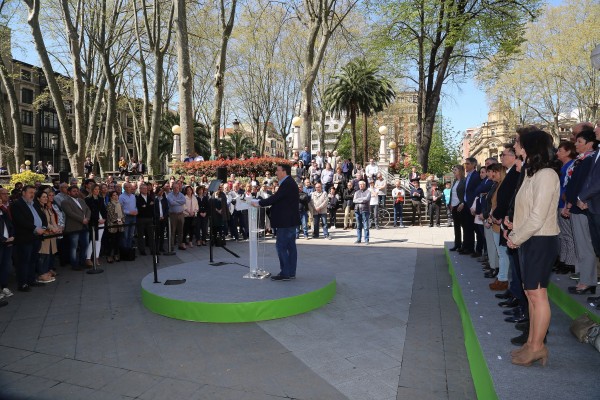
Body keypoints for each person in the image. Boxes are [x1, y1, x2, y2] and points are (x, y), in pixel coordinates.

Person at [507, 129, 560, 367]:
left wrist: (516, 236)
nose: (515, 145)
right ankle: (531, 343)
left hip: (541, 239)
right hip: (530, 238)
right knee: (530, 294)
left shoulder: (547, 174)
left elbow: (538, 215)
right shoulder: (532, 173)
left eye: (518, 142)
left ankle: (538, 347)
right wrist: (514, 225)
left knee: (538, 295)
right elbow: (528, 210)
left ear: (530, 146)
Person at [563, 128, 598, 295]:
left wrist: (574, 202)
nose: (576, 144)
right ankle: (585, 279)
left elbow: (583, 184)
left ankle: (588, 281)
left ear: (589, 144)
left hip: (582, 207)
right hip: (575, 205)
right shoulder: (581, 160)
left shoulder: (590, 160)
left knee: (585, 246)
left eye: (579, 142)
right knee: (580, 245)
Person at [251, 163, 299, 281]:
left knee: (281, 246)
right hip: (289, 221)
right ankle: (290, 272)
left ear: (284, 172)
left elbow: (276, 198)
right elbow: (279, 199)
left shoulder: (287, 183)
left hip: (285, 222)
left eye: (277, 170)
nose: (276, 173)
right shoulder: (289, 183)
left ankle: (285, 273)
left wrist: (259, 203)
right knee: (290, 247)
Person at [11, 185, 47, 291]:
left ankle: (31, 280)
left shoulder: (34, 204)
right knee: (24, 261)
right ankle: (23, 284)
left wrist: (44, 226)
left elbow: (42, 216)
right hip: (25, 238)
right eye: (30, 192)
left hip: (36, 237)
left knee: (33, 259)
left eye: (33, 192)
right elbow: (20, 221)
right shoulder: (17, 205)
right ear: (23, 193)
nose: (32, 195)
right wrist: (36, 228)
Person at [61, 186, 91, 271]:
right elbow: (70, 213)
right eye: (74, 191)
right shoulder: (65, 202)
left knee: (85, 245)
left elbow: (88, 210)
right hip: (74, 227)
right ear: (69, 192)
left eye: (77, 191)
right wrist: (82, 219)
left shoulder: (81, 200)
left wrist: (87, 218)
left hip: (84, 226)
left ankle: (82, 262)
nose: (76, 192)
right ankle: (74, 264)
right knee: (74, 247)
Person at [459, 157, 481, 255]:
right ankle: (466, 246)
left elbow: (476, 191)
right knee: (466, 227)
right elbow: (466, 191)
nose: (465, 166)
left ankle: (472, 248)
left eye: (467, 164)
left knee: (473, 228)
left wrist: (473, 205)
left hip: (472, 205)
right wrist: (463, 202)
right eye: (465, 164)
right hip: (466, 204)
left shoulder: (476, 176)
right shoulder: (468, 176)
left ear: (473, 165)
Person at [85, 183, 107, 266]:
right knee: (93, 240)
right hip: (94, 222)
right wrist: (97, 220)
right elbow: (89, 212)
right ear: (92, 190)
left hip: (102, 222)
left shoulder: (100, 198)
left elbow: (104, 210)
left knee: (99, 241)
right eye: (95, 189)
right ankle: (88, 258)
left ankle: (96, 257)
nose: (97, 191)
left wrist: (104, 219)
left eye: (98, 189)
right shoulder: (88, 199)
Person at [449, 165, 466, 251]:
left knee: (464, 226)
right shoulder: (455, 181)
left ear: (460, 171)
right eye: (453, 170)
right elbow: (452, 194)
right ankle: (457, 244)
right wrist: (450, 204)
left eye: (455, 170)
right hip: (454, 206)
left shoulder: (464, 181)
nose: (454, 171)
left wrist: (462, 202)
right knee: (456, 226)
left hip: (461, 206)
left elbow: (465, 193)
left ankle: (465, 245)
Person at [136, 183, 155, 255]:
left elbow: (151, 208)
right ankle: (142, 250)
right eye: (143, 188)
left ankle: (152, 250)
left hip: (149, 218)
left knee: (151, 235)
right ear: (140, 190)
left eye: (146, 189)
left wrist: (145, 206)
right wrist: (148, 206)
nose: (145, 190)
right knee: (141, 235)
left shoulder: (150, 197)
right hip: (141, 219)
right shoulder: (138, 198)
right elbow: (140, 209)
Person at [105, 191, 124, 262]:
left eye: (116, 195)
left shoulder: (120, 204)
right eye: (114, 195)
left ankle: (116, 254)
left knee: (117, 241)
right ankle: (109, 255)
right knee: (111, 242)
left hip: (120, 226)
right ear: (111, 197)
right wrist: (117, 221)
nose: (116, 196)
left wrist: (122, 220)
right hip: (112, 226)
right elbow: (110, 215)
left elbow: (123, 214)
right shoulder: (109, 205)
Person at [167, 182, 186, 250]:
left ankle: (180, 244)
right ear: (172, 188)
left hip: (181, 214)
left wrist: (175, 201)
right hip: (173, 215)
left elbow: (183, 201)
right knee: (172, 231)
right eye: (174, 188)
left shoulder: (181, 194)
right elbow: (171, 203)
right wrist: (178, 202)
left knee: (181, 231)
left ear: (179, 188)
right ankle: (171, 246)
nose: (176, 189)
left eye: (177, 187)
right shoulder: (169, 195)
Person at [119, 182, 138, 249]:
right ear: (124, 188)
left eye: (129, 187)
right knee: (125, 235)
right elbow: (120, 209)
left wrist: (136, 211)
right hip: (126, 217)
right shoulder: (121, 197)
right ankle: (125, 250)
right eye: (126, 187)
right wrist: (129, 212)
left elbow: (135, 206)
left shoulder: (133, 196)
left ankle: (129, 249)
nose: (128, 188)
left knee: (131, 234)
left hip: (133, 217)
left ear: (131, 188)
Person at [353, 180, 371, 244]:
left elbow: (366, 199)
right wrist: (362, 200)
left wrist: (359, 200)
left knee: (366, 226)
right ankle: (358, 239)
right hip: (357, 210)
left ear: (365, 185)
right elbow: (354, 200)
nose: (361, 185)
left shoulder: (368, 192)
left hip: (365, 210)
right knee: (358, 225)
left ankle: (366, 240)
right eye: (360, 184)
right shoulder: (356, 192)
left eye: (362, 184)